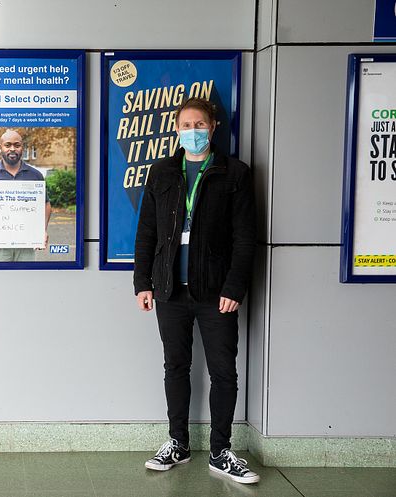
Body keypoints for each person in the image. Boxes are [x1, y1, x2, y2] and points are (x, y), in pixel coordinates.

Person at [133, 97, 258, 484]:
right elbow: (147, 232)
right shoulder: (162, 172)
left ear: (213, 126)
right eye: (186, 124)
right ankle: (178, 444)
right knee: (176, 367)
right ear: (176, 129)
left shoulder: (234, 173)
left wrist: (234, 286)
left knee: (224, 372)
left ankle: (221, 451)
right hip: (169, 291)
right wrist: (143, 282)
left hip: (215, 292)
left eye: (199, 124)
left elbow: (244, 238)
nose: (193, 131)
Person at [0, 129, 52, 261]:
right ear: (0, 147)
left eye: (17, 145)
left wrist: (43, 230)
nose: (12, 149)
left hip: (26, 243)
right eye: (7, 145)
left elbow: (46, 204)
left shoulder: (35, 175)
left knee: (25, 280)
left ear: (22, 148)